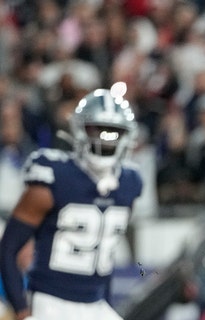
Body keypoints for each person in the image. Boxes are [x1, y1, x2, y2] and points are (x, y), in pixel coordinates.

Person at [0, 84, 142, 320]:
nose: (105, 139)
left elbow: (103, 256)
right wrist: (23, 312)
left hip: (95, 305)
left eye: (113, 132)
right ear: (79, 129)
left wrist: (103, 302)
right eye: (98, 129)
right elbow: (8, 249)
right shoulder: (55, 176)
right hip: (51, 303)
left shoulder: (130, 182)